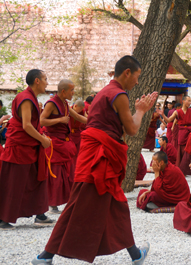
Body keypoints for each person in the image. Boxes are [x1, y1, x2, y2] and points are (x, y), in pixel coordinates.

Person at [31, 55, 158, 265]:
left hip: (95, 154)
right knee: (78, 206)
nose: (137, 81)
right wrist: (141, 110)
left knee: (115, 206)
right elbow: (133, 129)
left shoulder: (103, 94)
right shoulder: (119, 95)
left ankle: (135, 254)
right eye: (137, 76)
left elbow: (93, 122)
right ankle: (45, 256)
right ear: (127, 72)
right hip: (100, 159)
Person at [0, 69, 52, 229]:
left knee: (36, 179)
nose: (47, 82)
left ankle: (40, 214)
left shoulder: (30, 97)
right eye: (45, 79)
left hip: (29, 146)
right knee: (15, 182)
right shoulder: (26, 98)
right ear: (37, 81)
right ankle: (3, 219)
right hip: (20, 148)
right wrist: (43, 139)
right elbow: (27, 125)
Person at [41, 80, 87, 214]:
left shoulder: (65, 104)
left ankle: (68, 202)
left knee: (68, 174)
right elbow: (41, 120)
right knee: (55, 174)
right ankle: (52, 205)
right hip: (54, 143)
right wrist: (59, 120)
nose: (73, 93)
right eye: (71, 90)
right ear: (63, 91)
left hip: (64, 143)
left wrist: (97, 121)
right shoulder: (52, 103)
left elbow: (78, 117)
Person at [70, 100, 87, 184]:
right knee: (71, 155)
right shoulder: (68, 110)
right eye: (79, 109)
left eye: (81, 109)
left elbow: (86, 119)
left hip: (77, 134)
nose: (80, 111)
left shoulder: (83, 111)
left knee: (78, 154)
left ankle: (76, 171)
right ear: (75, 106)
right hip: (70, 135)